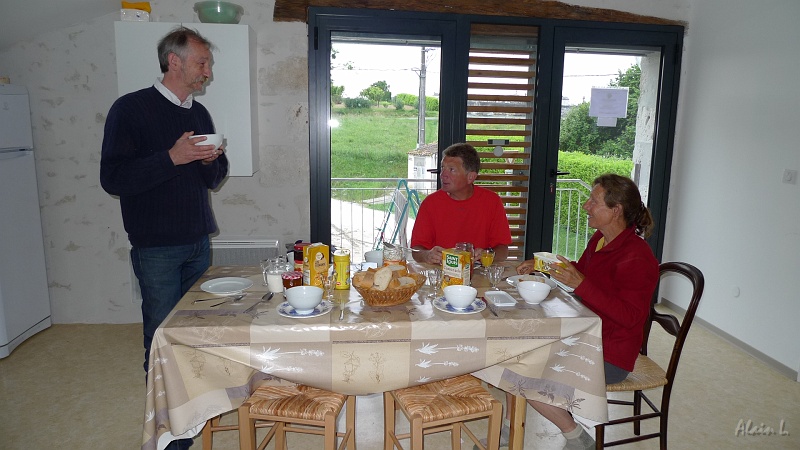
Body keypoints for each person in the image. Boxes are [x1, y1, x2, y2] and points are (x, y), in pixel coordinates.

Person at [101, 26, 228, 450]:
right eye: (202, 62)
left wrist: (212, 160)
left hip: (198, 238)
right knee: (161, 334)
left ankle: (196, 411)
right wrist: (172, 157)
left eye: (207, 63)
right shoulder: (130, 109)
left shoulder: (199, 114)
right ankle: (169, 431)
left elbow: (211, 179)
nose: (207, 72)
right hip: (156, 244)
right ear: (174, 62)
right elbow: (113, 178)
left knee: (195, 332)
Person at [507, 173, 659, 449]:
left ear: (616, 211)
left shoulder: (637, 257)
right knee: (516, 351)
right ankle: (510, 433)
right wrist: (541, 265)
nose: (586, 205)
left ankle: (577, 438)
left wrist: (582, 284)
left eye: (593, 201)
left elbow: (630, 316)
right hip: (584, 336)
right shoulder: (600, 239)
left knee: (524, 374)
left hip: (610, 355)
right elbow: (585, 272)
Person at [410, 143, 512, 264]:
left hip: (478, 275)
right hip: (441, 275)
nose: (443, 175)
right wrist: (427, 255)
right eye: (443, 168)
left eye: (451, 170)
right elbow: (416, 250)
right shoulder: (430, 203)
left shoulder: (492, 201)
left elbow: (503, 250)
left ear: (470, 177)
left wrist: (488, 254)